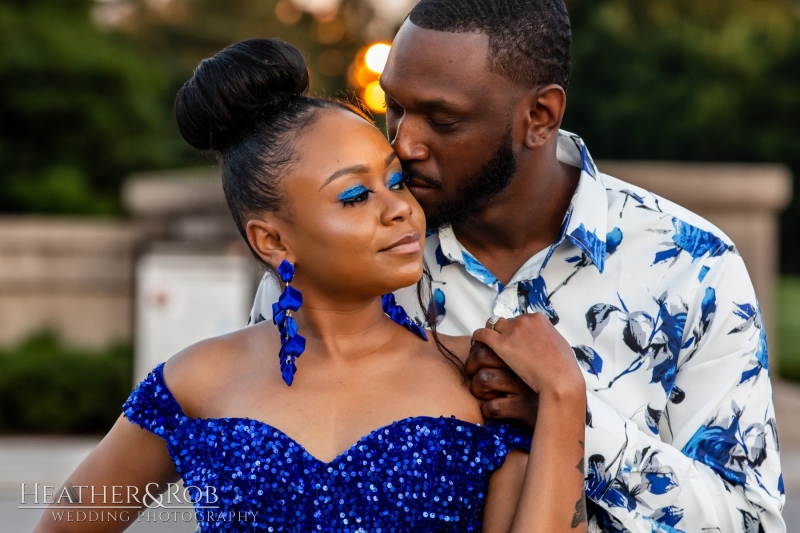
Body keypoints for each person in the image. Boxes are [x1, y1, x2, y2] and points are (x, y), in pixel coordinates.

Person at [247, 0, 786, 531]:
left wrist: (571, 415)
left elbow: (749, 522)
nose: (404, 143)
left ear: (539, 117)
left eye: (442, 119)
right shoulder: (331, 263)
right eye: (395, 107)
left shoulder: (692, 267)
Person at [35, 38, 589, 533]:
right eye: (355, 197)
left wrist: (564, 396)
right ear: (272, 241)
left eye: (395, 181)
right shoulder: (196, 383)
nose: (398, 209)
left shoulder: (481, 377)